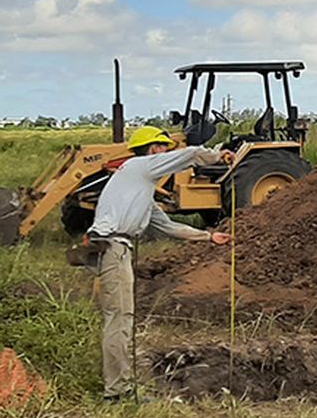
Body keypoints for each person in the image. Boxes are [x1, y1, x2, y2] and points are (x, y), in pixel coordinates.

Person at [88, 126, 231, 401]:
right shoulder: (140, 166)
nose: (166, 153)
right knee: (119, 320)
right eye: (164, 148)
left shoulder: (137, 187)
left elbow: (167, 226)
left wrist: (209, 237)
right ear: (154, 149)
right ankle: (118, 392)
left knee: (120, 319)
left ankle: (121, 386)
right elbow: (190, 154)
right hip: (113, 247)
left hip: (116, 247)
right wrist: (217, 155)